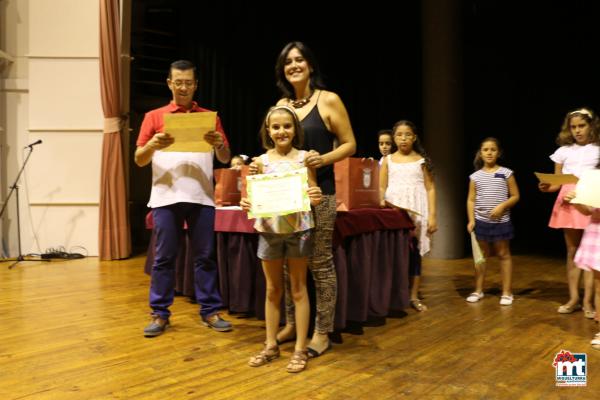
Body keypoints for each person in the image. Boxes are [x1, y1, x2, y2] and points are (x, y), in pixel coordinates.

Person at [269, 41, 356, 357]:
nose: (294, 65)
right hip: (288, 197)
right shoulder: (281, 104)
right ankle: (293, 324)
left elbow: (350, 144)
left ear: (310, 66)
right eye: (287, 61)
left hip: (322, 195)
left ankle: (322, 331)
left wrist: (324, 159)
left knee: (320, 264)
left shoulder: (329, 100)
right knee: (289, 266)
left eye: (299, 60)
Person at [135, 60, 233, 337]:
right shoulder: (154, 117)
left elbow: (224, 158)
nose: (183, 87)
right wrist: (153, 144)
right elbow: (139, 160)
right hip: (166, 196)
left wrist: (220, 144)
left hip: (202, 196)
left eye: (188, 82)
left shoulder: (209, 117)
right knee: (164, 258)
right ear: (169, 83)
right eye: (178, 82)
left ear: (195, 85)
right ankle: (159, 313)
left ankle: (210, 311)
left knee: (205, 257)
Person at [241, 105, 322, 373]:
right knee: (272, 289)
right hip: (269, 231)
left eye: (287, 126)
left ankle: (300, 349)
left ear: (295, 129)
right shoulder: (260, 162)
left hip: (298, 230)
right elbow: (252, 196)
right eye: (276, 127)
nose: (281, 131)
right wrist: (247, 201)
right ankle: (270, 344)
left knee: (298, 289)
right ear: (268, 131)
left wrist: (315, 196)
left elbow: (312, 190)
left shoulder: (304, 159)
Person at [539, 108, 600, 317]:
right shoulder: (564, 151)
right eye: (573, 127)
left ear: (591, 125)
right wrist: (548, 186)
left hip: (590, 198)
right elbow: (558, 182)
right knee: (573, 251)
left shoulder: (597, 149)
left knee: (592, 254)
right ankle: (573, 297)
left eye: (581, 126)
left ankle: (589, 302)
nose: (577, 131)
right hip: (567, 200)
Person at [379, 120, 437, 311]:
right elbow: (381, 186)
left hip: (417, 210)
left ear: (414, 137)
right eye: (399, 135)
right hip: (394, 210)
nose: (403, 138)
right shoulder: (388, 160)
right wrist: (382, 204)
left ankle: (413, 296)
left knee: (414, 254)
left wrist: (433, 216)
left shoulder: (421, 161)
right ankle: (393, 295)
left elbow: (430, 188)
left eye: (407, 134)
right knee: (394, 253)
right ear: (394, 138)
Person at [465, 137, 520, 305]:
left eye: (493, 149)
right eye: (485, 150)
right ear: (480, 153)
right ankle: (478, 290)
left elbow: (516, 196)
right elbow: (471, 200)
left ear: (499, 152)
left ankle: (507, 292)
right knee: (481, 257)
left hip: (501, 222)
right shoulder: (475, 176)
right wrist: (471, 220)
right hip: (481, 221)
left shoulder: (506, 173)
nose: (489, 152)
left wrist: (502, 206)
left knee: (504, 255)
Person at [564, 182, 600, 348]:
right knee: (599, 286)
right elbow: (589, 210)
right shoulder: (596, 177)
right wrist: (576, 200)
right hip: (597, 233)